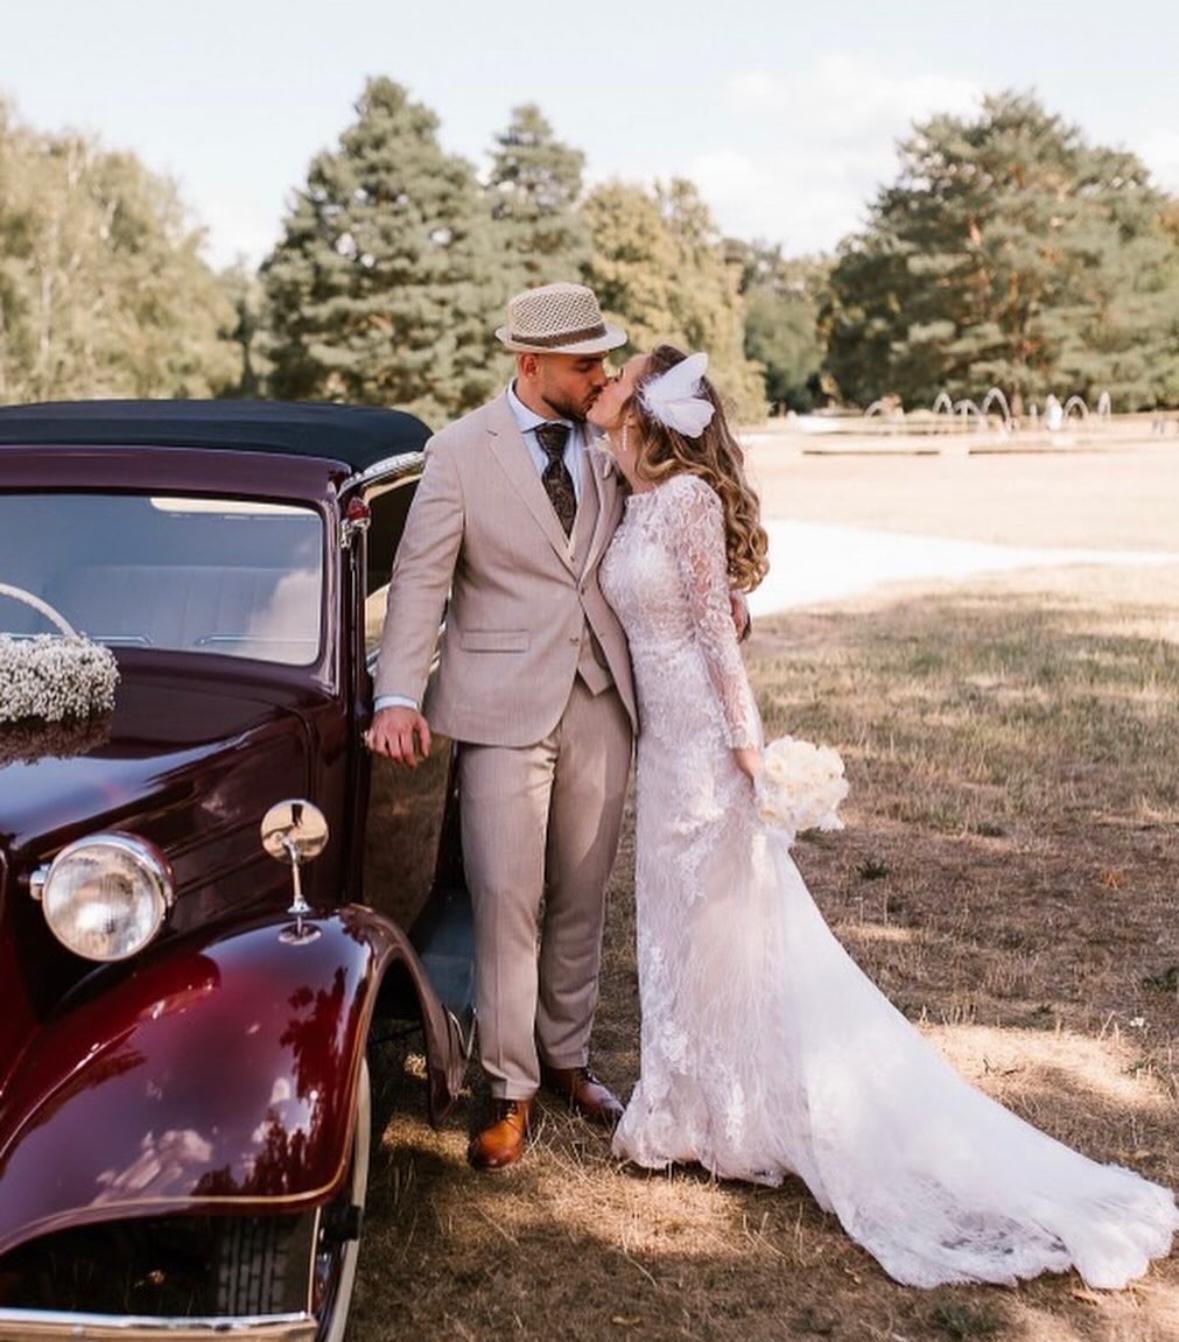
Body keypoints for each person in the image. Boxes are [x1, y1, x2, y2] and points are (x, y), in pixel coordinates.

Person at [589, 343, 1179, 1288]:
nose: (606, 383)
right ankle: (694, 1107)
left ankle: (708, 1115)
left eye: (620, 378)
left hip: (703, 745)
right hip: (658, 747)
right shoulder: (628, 493)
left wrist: (750, 755)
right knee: (677, 925)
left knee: (720, 924)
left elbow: (712, 636)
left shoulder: (689, 501)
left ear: (646, 410)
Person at [367, 282, 638, 1170]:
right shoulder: (457, 451)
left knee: (583, 890)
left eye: (603, 360)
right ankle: (508, 1087)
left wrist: (728, 595)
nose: (600, 376)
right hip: (495, 706)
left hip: (600, 695)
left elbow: (667, 529)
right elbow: (419, 581)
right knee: (504, 898)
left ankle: (567, 1058)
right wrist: (397, 695)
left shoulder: (614, 441)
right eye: (584, 364)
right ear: (529, 363)